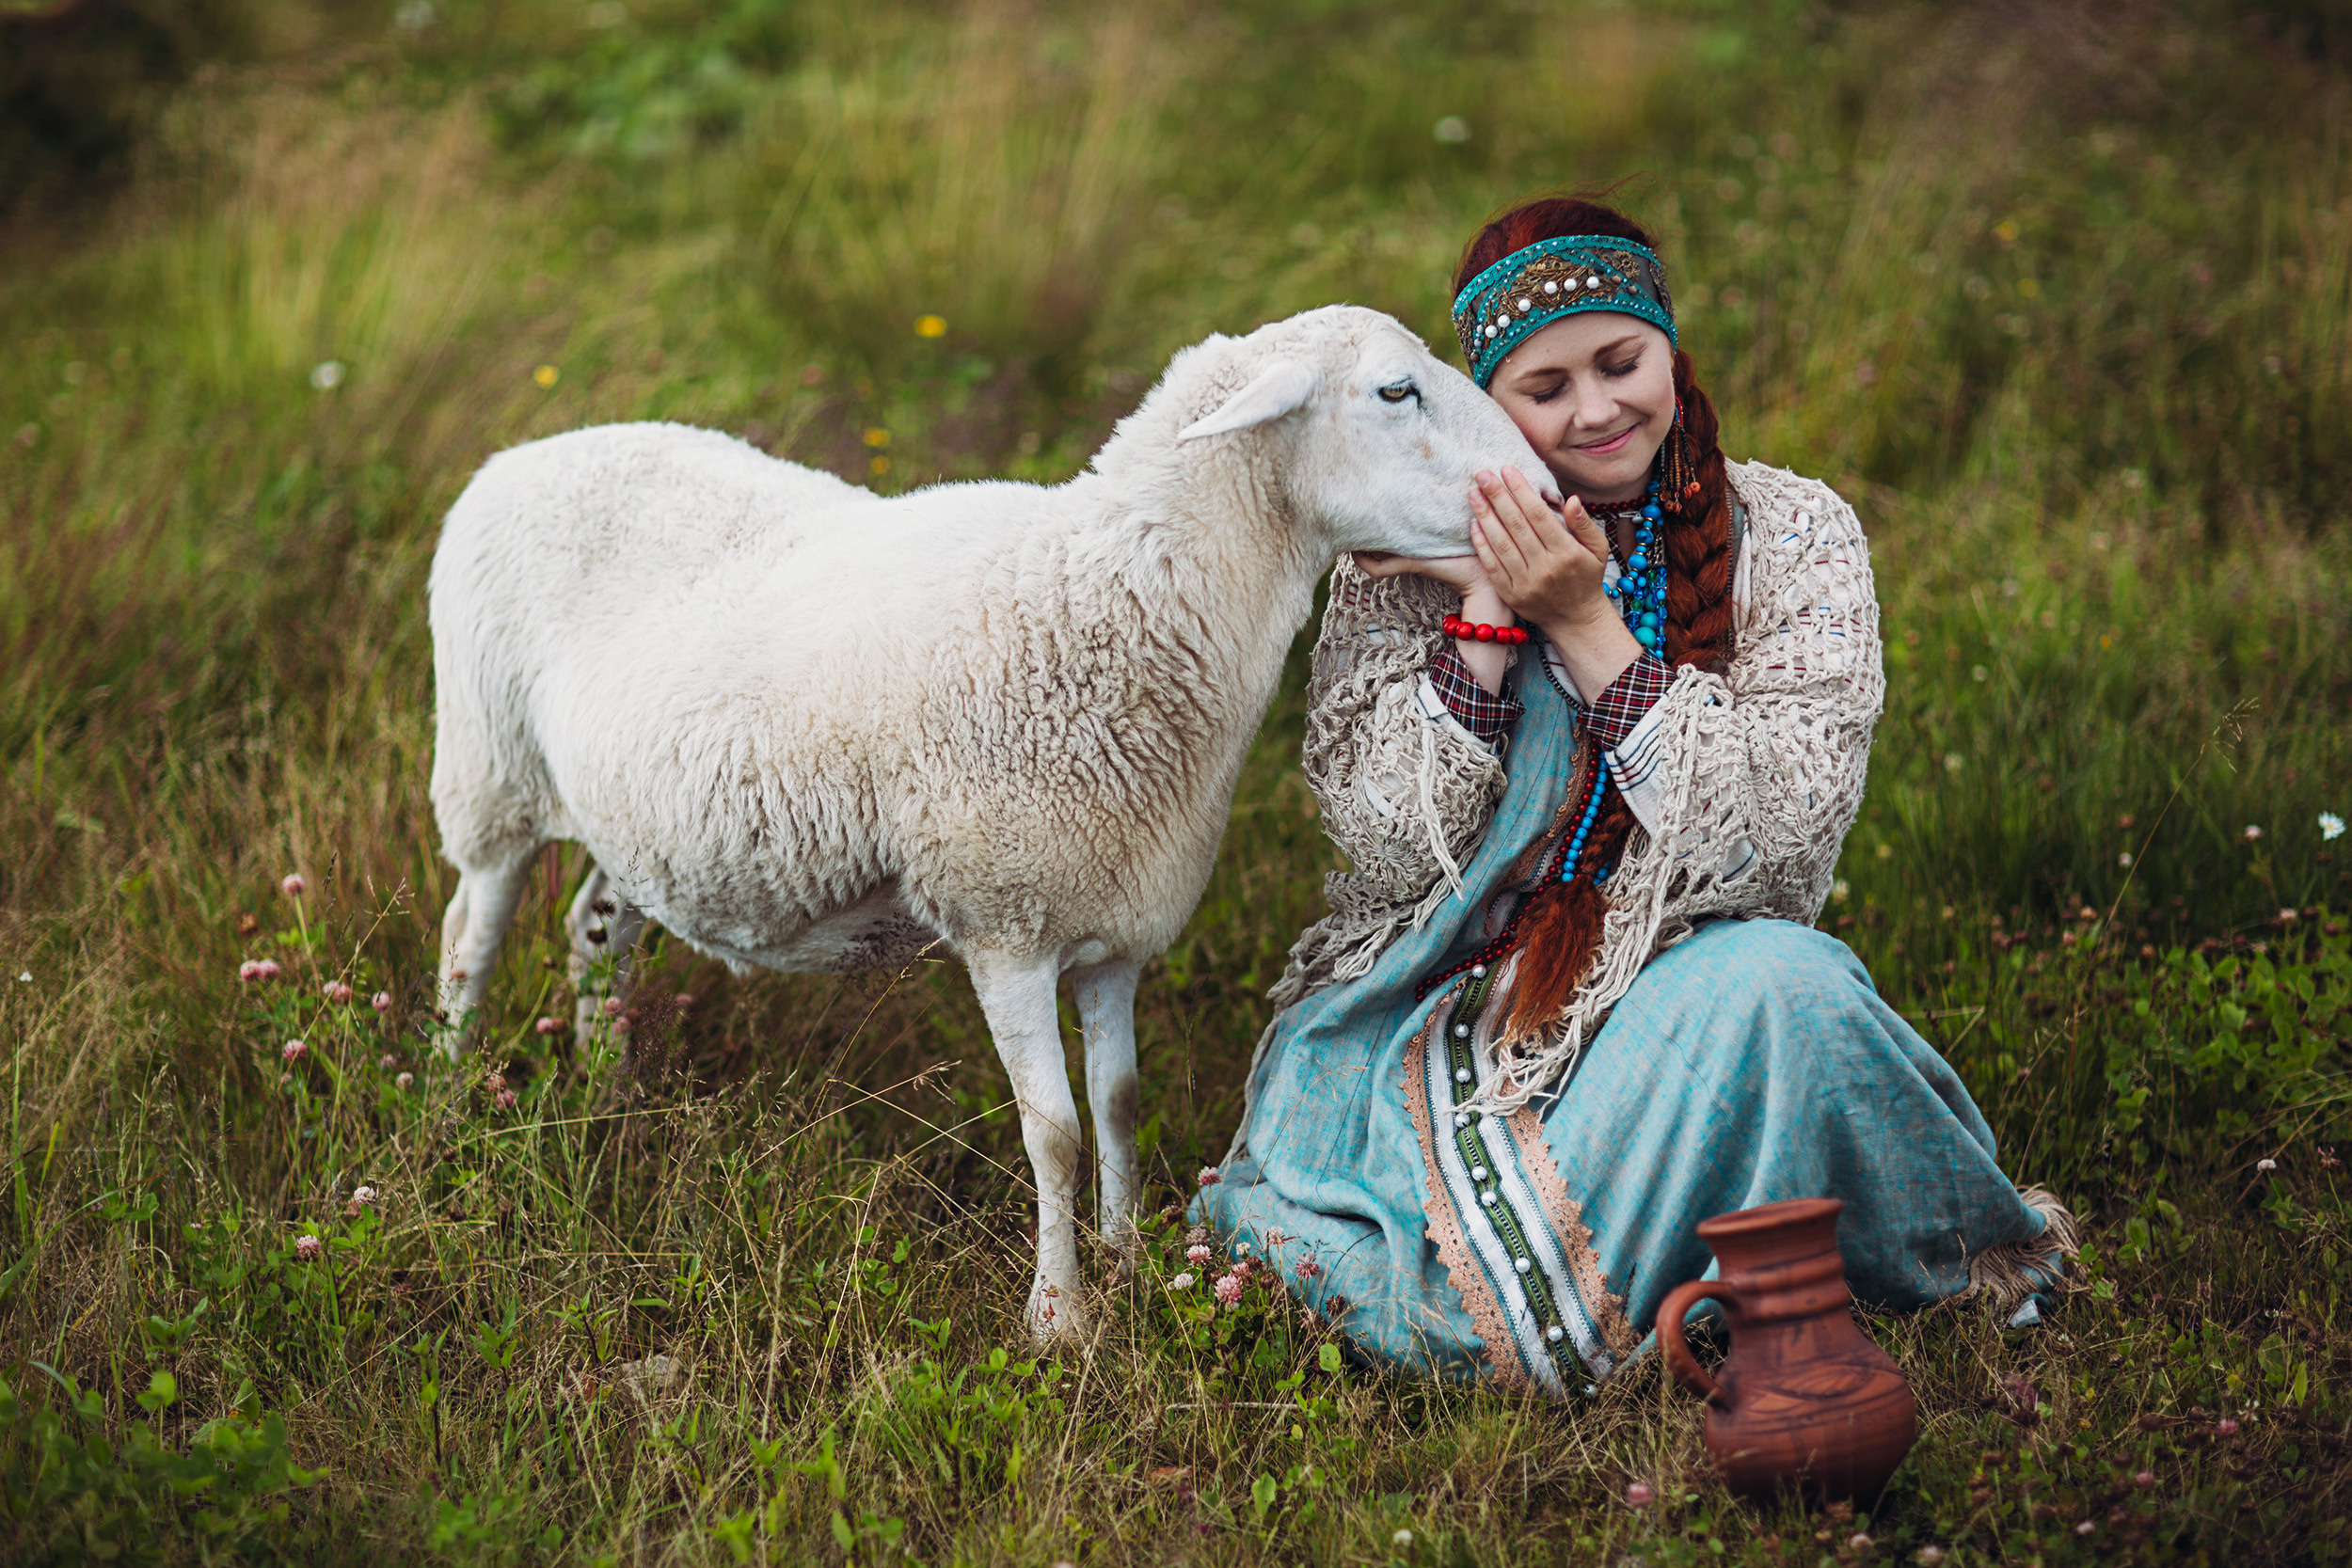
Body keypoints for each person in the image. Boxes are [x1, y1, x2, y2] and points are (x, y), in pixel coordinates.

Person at [1193, 196, 2075, 1394]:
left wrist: (1581, 620)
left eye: (1621, 362)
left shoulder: (1796, 535)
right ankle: (1634, 1260)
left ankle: (1753, 1253)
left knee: (1792, 985)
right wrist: (1485, 602)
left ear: (1668, 348)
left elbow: (1772, 855)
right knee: (1468, 1321)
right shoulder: (1395, 549)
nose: (1597, 410)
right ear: (1486, 402)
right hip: (1445, 1008)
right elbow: (1391, 848)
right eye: (1544, 387)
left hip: (1684, 988)